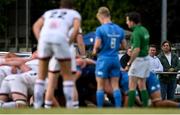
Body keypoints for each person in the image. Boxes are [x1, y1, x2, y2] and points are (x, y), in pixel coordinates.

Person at [32, 0, 81, 109]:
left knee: (46, 79)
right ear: (72, 6)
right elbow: (77, 31)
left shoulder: (49, 13)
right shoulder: (74, 14)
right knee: (69, 78)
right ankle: (72, 108)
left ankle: (38, 107)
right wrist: (68, 43)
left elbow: (35, 26)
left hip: (45, 40)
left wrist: (41, 42)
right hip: (63, 43)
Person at [92, 6, 126, 108]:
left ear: (101, 16)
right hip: (115, 59)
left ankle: (100, 110)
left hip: (103, 59)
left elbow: (97, 46)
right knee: (115, 85)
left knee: (100, 86)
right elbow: (125, 46)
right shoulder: (119, 29)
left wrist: (94, 52)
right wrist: (114, 48)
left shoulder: (100, 29)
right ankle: (119, 109)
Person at [125, 12, 150, 107]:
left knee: (132, 85)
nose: (127, 23)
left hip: (139, 60)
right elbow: (143, 46)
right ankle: (145, 108)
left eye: (127, 20)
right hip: (146, 59)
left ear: (132, 21)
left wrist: (129, 63)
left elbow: (137, 49)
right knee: (142, 85)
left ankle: (130, 110)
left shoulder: (136, 32)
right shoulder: (144, 30)